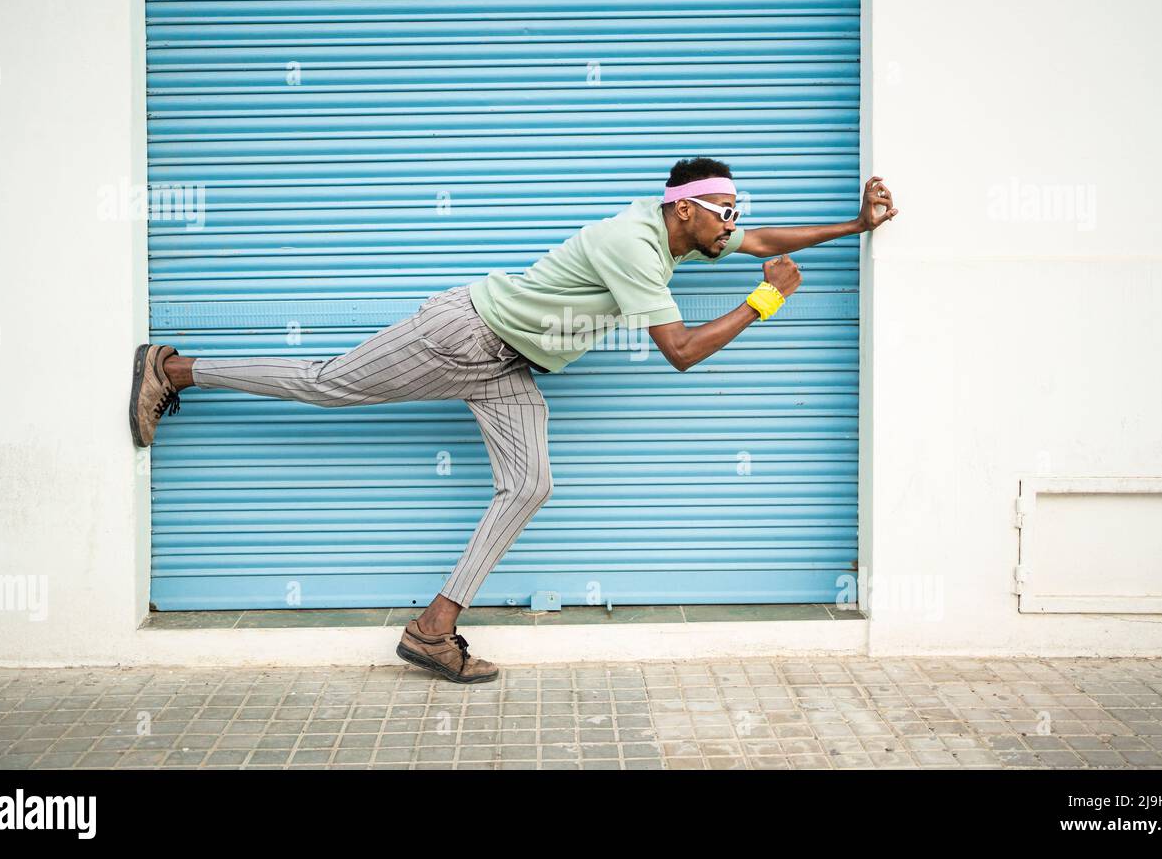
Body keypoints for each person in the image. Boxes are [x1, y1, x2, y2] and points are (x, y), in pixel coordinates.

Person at [129, 157, 898, 683]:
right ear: (686, 207)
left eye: (736, 213)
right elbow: (682, 352)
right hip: (462, 331)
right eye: (724, 211)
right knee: (328, 384)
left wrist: (853, 228)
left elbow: (764, 241)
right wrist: (769, 300)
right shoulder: (635, 245)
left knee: (529, 484)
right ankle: (173, 367)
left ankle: (432, 629)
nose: (735, 225)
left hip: (506, 364)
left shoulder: (675, 237)